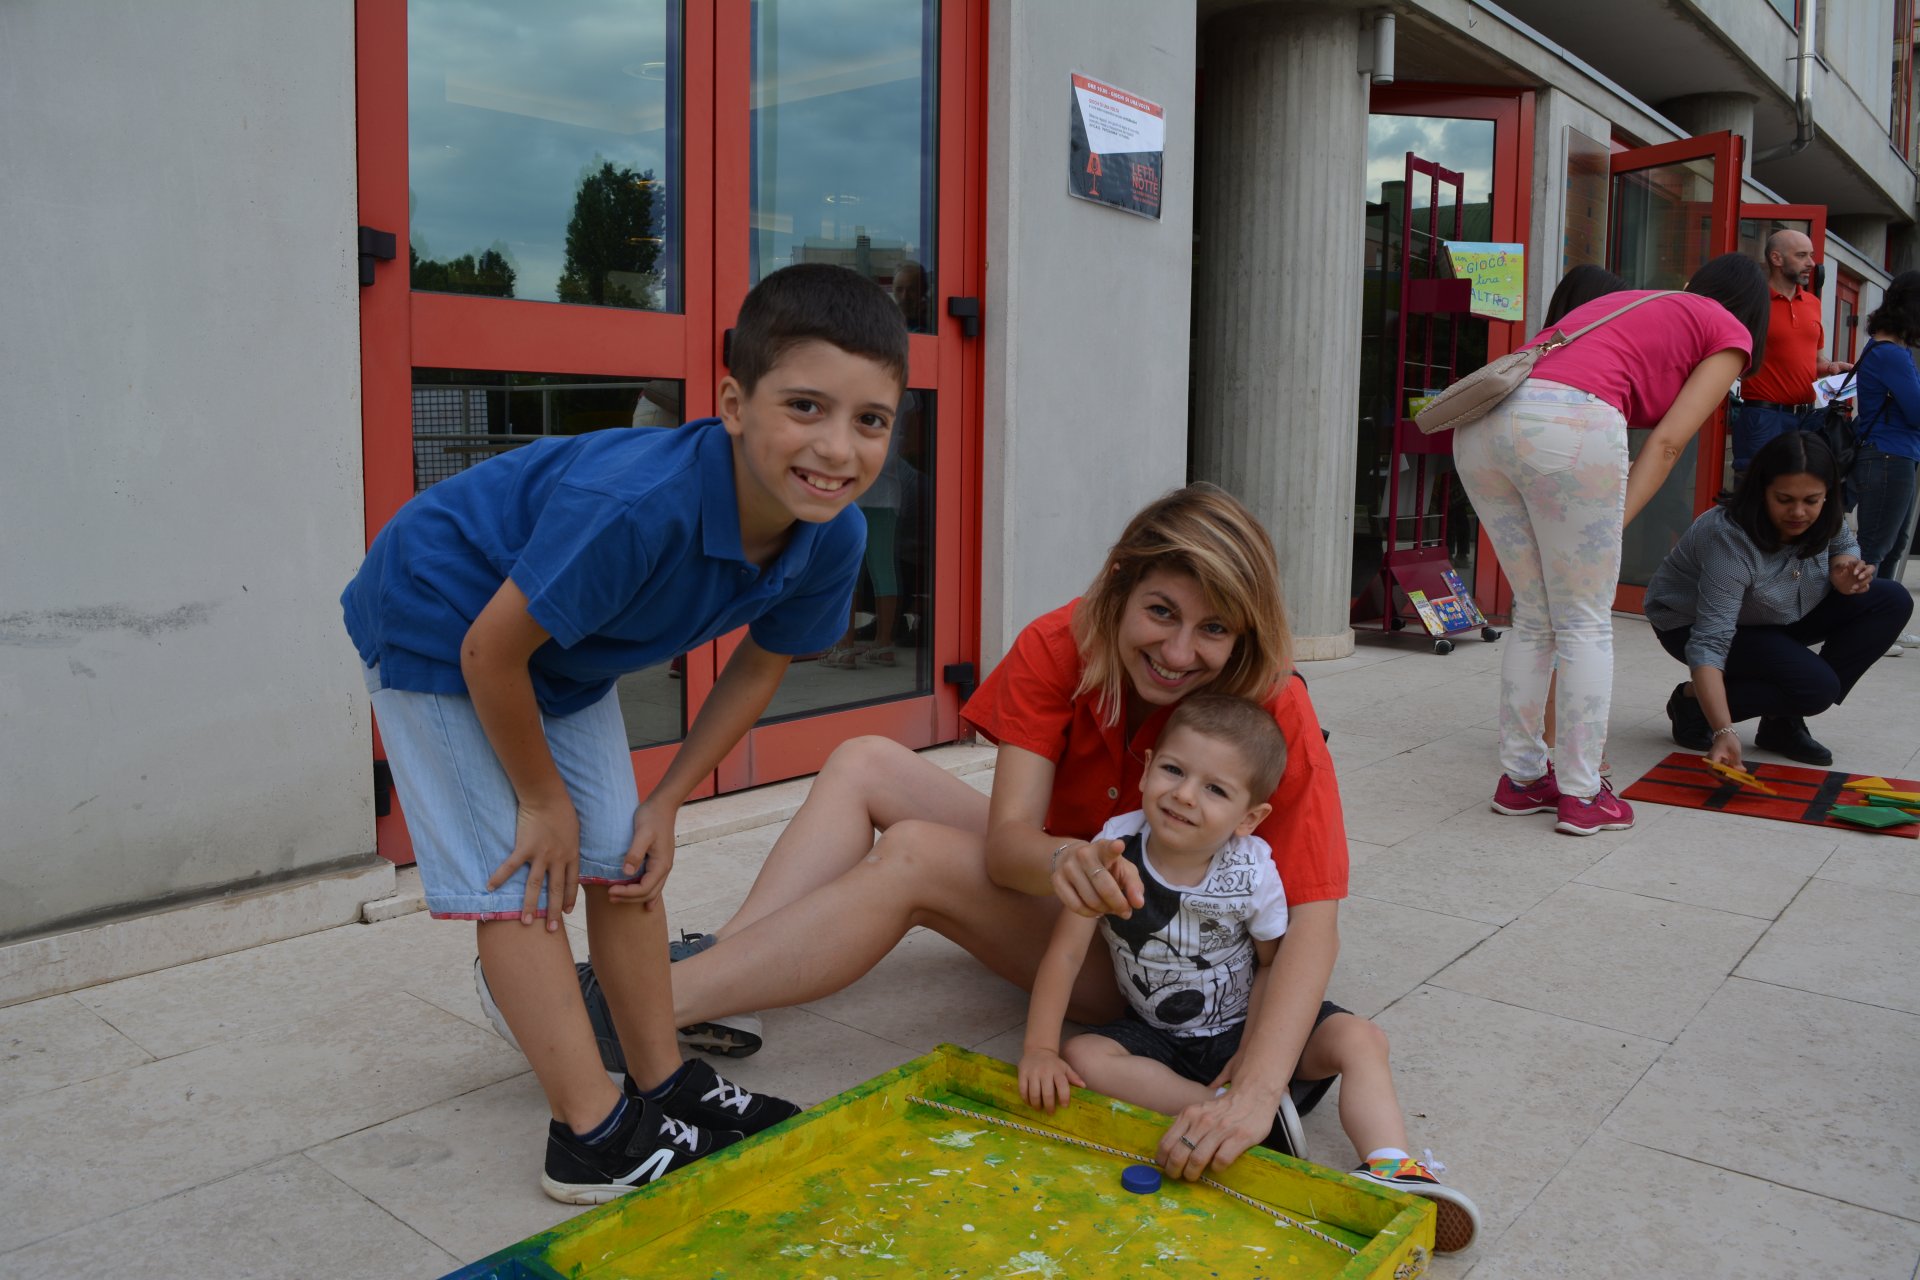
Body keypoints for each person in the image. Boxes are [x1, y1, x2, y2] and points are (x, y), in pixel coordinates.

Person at [507, 486, 1467, 1209]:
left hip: (1149, 945)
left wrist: (1256, 1092)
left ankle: (631, 1009)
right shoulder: (1062, 643)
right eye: (1163, 615)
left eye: (1215, 630)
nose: (1180, 652)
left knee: (920, 854)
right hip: (1080, 872)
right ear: (1121, 589)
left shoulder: (1273, 708)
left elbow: (1312, 919)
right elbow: (1014, 842)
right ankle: (719, 991)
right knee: (864, 758)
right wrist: (1063, 865)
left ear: (1247, 635)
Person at [341, 263, 909, 1202]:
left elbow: (760, 665)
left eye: (870, 420)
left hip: (558, 654)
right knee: (530, 874)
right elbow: (491, 652)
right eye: (805, 406)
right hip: (442, 617)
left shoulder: (832, 531)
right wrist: (538, 800)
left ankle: (666, 1082)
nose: (837, 448)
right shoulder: (639, 505)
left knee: (625, 859)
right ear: (732, 401)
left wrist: (669, 799)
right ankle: (592, 1133)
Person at [1018, 694, 1481, 1252]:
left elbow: (1271, 966)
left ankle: (1390, 1165)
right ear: (1145, 771)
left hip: (1248, 1031)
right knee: (1085, 1056)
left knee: (1361, 1038)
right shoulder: (1111, 849)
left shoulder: (1253, 870)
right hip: (1158, 1035)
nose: (1185, 795)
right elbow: (1065, 955)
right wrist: (1040, 1049)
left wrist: (1257, 1055)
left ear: (1249, 816)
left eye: (1216, 789)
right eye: (1173, 769)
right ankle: (1216, 1116)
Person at [1455, 253, 1768, 835]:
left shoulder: (1636, 303)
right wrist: (1610, 521)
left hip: (1484, 421)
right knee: (1584, 622)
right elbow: (1670, 442)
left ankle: (1523, 780)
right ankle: (1581, 794)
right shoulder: (1731, 332)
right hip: (1567, 428)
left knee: (1536, 617)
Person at [1647, 432, 1912, 767]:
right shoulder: (1729, 538)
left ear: (1827, 495)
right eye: (1784, 500)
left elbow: (1844, 545)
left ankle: (1780, 721)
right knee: (1815, 688)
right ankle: (1692, 704)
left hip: (1776, 611)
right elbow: (1709, 641)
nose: (1799, 512)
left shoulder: (1826, 512)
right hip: (1691, 624)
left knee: (1890, 599)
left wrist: (1843, 569)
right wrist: (1724, 730)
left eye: (1811, 500)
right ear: (1761, 491)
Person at [1728, 230, 1851, 477]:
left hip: (1807, 418)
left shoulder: (1813, 304)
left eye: (1811, 255)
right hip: (1763, 416)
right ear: (1777, 258)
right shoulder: (1753, 302)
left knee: (1797, 489)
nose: (1811, 263)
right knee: (1758, 491)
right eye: (1801, 255)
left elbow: (1815, 361)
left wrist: (1830, 368)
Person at [1848, 272, 1920, 657]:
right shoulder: (1891, 354)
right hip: (1889, 456)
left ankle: (1884, 624)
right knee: (1875, 546)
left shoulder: (1890, 351)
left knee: (1892, 545)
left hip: (1894, 454)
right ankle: (1861, 624)